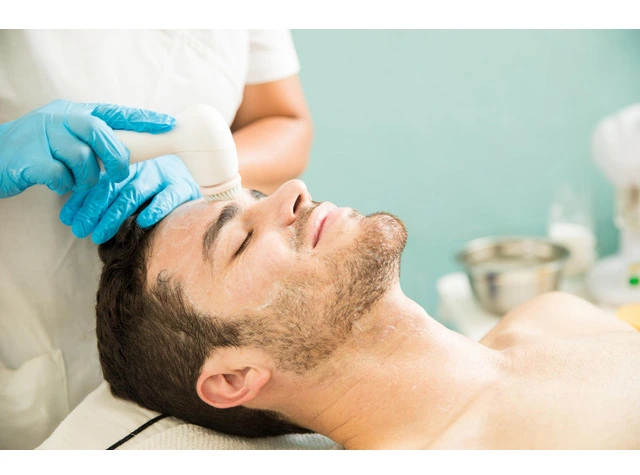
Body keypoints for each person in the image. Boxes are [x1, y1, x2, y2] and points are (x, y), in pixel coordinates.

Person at [96, 179, 640, 449]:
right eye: (239, 241)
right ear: (236, 377)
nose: (293, 190)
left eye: (257, 195)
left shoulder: (553, 315)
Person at [0, 30, 312, 449]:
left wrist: (200, 170)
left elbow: (285, 120)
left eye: (240, 238)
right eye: (237, 242)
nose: (298, 196)